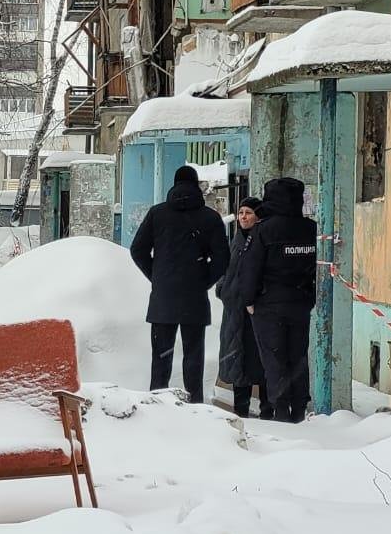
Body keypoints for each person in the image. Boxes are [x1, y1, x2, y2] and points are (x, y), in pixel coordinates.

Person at [129, 165, 230, 403]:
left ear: (173, 185)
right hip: (194, 297)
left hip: (163, 297)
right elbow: (223, 258)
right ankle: (194, 403)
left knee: (162, 356)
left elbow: (137, 250)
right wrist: (203, 279)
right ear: (196, 185)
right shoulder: (210, 217)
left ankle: (156, 402)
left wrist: (157, 275)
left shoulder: (157, 214)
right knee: (193, 355)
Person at [235, 177, 317, 423]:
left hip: (268, 305)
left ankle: (280, 411)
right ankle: (300, 409)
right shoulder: (311, 229)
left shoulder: (263, 230)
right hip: (300, 303)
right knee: (298, 357)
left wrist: (249, 300)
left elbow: (250, 269)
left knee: (274, 359)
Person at [216, 197, 272, 419]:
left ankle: (267, 411)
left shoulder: (263, 239)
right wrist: (223, 289)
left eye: (248, 212)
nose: (243, 217)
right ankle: (241, 409)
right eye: (240, 213)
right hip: (234, 312)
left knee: (260, 360)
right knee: (237, 359)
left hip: (256, 312)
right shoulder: (237, 240)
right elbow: (227, 269)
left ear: (258, 216)